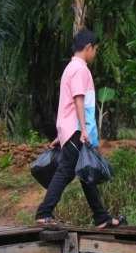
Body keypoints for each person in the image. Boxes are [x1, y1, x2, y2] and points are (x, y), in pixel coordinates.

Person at [34, 28, 125, 228]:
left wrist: (61, 134)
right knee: (66, 171)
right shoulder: (79, 69)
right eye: (96, 49)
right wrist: (83, 130)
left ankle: (101, 217)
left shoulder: (71, 68)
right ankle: (44, 212)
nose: (95, 53)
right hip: (76, 130)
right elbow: (78, 100)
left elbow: (66, 105)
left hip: (72, 129)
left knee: (86, 172)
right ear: (89, 47)